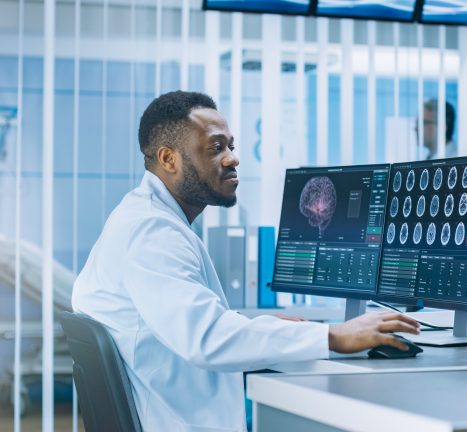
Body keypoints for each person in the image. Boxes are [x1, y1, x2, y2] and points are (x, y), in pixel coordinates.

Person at [71, 91, 420, 431]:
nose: (232, 158)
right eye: (215, 148)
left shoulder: (147, 218)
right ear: (168, 159)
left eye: (231, 146)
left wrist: (257, 326)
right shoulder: (151, 232)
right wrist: (333, 335)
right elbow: (205, 337)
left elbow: (182, 318)